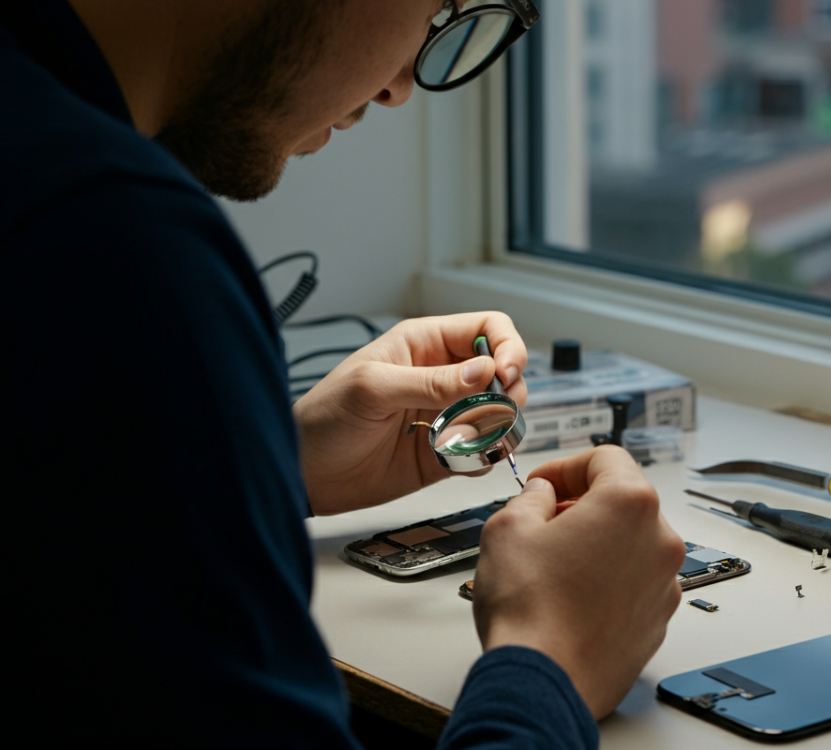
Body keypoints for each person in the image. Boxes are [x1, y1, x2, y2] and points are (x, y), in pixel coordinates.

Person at [2, 0, 687, 747]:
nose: (400, 86)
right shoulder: (110, 243)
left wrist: (268, 466)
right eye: (442, 5)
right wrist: (552, 661)